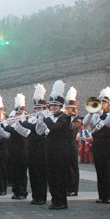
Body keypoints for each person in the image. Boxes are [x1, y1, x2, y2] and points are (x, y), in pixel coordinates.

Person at [37, 80, 73, 210]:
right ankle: (54, 200)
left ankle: (62, 201)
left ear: (60, 106)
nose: (53, 108)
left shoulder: (65, 118)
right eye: (51, 106)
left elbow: (54, 128)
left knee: (60, 177)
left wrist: (45, 118)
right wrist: (40, 120)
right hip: (50, 151)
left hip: (61, 152)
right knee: (51, 176)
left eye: (56, 106)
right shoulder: (50, 118)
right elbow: (41, 131)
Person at [19, 84, 49, 205]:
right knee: (33, 172)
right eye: (36, 108)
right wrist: (18, 125)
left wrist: (23, 122)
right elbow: (27, 132)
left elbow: (36, 129)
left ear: (44, 107)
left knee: (41, 172)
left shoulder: (46, 116)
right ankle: (35, 196)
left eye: (40, 108)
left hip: (41, 147)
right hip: (31, 146)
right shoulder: (32, 117)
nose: (38, 110)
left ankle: (41, 196)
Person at [83, 86, 110, 204]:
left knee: (108, 170)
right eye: (101, 102)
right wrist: (91, 113)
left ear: (108, 103)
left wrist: (101, 114)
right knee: (100, 169)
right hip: (98, 143)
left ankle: (108, 195)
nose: (102, 104)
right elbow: (86, 122)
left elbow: (108, 123)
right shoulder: (95, 114)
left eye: (104, 102)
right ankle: (102, 195)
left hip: (109, 143)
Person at [64, 87, 80, 196]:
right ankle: (66, 187)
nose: (66, 109)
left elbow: (71, 127)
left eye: (69, 107)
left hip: (71, 144)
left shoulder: (77, 118)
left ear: (73, 108)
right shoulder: (64, 118)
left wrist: (66, 117)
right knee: (65, 166)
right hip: (64, 143)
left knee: (72, 167)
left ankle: (73, 188)